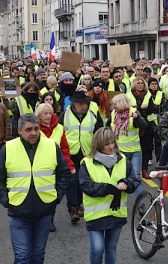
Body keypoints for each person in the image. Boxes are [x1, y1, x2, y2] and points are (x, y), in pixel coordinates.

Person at [0, 114, 71, 264]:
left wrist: (57, 197)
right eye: (28, 129)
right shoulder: (8, 148)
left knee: (38, 256)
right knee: (22, 257)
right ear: (19, 131)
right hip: (18, 212)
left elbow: (64, 173)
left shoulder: (51, 146)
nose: (33, 133)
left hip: (44, 211)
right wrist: (5, 199)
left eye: (36, 129)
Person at [78, 127, 140, 264]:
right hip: (95, 216)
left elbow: (134, 180)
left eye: (113, 143)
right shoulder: (87, 163)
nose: (111, 147)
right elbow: (86, 186)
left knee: (111, 248)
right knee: (98, 249)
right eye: (107, 144)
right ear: (98, 145)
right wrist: (107, 189)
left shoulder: (123, 160)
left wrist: (126, 183)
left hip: (116, 213)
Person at [59, 91, 103, 224]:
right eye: (80, 104)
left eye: (85, 103)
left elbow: (99, 131)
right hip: (70, 153)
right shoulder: (65, 115)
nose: (83, 106)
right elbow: (59, 131)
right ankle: (73, 208)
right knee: (71, 181)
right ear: (73, 104)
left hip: (86, 153)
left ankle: (79, 205)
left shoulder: (92, 115)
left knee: (81, 180)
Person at [35, 103, 76, 231]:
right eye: (45, 114)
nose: (48, 116)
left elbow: (65, 149)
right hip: (40, 167)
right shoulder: (35, 129)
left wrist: (70, 166)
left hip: (56, 166)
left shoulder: (59, 128)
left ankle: (49, 219)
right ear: (39, 116)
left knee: (52, 194)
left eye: (50, 113)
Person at [107, 94, 147, 196]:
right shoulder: (113, 113)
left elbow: (144, 125)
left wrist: (137, 118)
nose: (114, 106)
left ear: (121, 104)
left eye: (115, 104)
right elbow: (108, 128)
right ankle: (117, 198)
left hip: (134, 151)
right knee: (119, 176)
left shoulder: (133, 112)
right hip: (120, 151)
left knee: (136, 177)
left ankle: (141, 203)